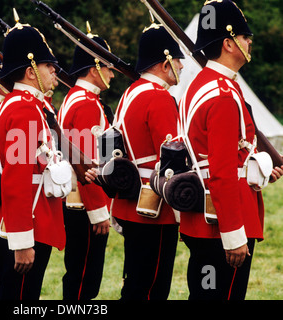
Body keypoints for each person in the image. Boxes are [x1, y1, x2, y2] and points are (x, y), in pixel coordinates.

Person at [178, 0, 283, 300]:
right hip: (223, 224)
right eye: (244, 36)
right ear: (228, 43)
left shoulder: (201, 85)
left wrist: (258, 169)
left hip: (205, 219)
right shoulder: (223, 94)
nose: (250, 41)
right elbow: (222, 170)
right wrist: (234, 235)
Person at [0, 15, 66, 300]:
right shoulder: (25, 110)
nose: (54, 70)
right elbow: (16, 179)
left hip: (21, 221)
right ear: (31, 70)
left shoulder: (21, 105)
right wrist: (21, 240)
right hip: (26, 223)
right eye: (47, 65)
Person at [109, 24, 184, 300]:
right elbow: (173, 159)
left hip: (129, 201)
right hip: (155, 207)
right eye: (178, 60)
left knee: (135, 284)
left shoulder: (130, 93)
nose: (181, 66)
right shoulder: (160, 97)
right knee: (152, 288)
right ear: (166, 63)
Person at [56, 24, 112, 300]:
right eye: (108, 66)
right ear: (95, 68)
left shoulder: (76, 98)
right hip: (85, 203)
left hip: (78, 201)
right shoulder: (88, 103)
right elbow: (89, 163)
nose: (112, 72)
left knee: (79, 273)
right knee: (84, 281)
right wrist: (99, 209)